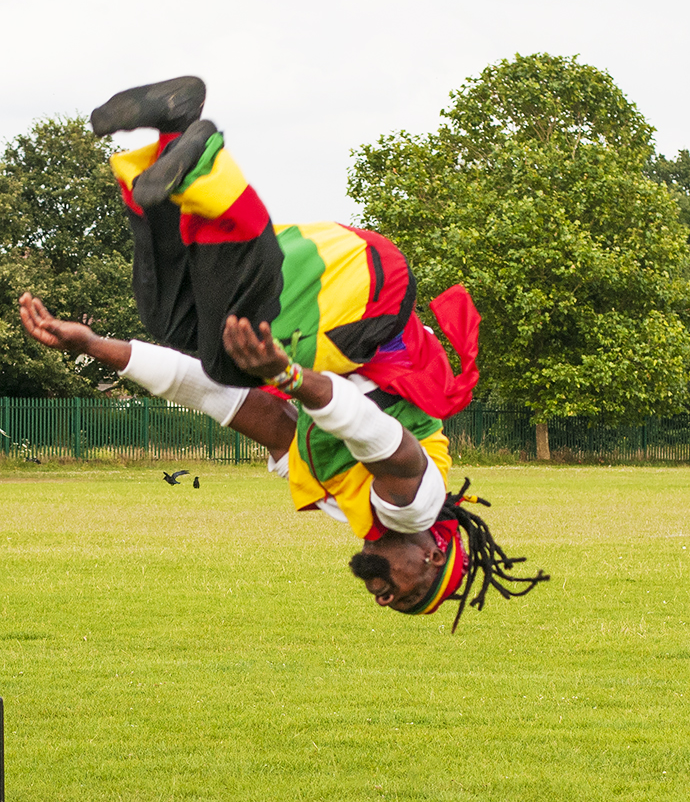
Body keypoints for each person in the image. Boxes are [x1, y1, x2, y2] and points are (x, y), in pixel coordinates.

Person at [20, 76, 547, 630]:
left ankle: (173, 135)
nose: (386, 600)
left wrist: (96, 347)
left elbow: (222, 399)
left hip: (340, 295)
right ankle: (204, 167)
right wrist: (289, 375)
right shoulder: (417, 506)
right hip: (365, 300)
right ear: (432, 556)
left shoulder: (338, 498)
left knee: (177, 324)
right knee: (233, 356)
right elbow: (374, 432)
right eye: (411, 596)